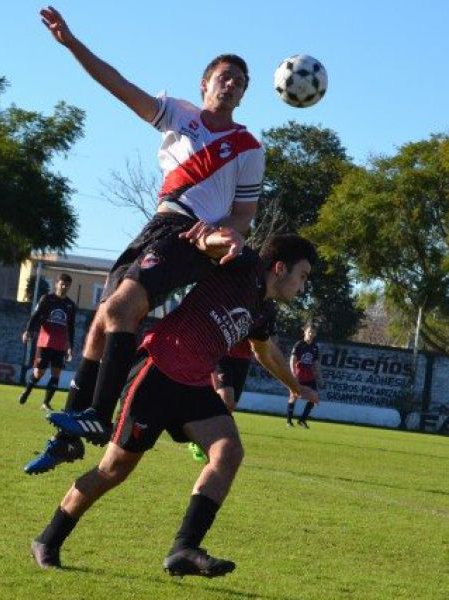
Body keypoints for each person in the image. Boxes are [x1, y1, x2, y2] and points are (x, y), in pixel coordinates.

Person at [38, 6, 265, 455]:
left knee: (121, 308)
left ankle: (98, 418)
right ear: (205, 84)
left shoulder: (248, 148)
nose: (231, 83)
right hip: (155, 226)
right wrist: (72, 45)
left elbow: (243, 214)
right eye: (224, 76)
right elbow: (118, 86)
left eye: (239, 81)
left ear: (242, 96)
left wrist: (216, 235)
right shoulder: (179, 115)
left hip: (189, 237)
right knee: (101, 324)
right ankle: (68, 438)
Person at [26, 234, 320, 577]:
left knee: (229, 452)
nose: (302, 286)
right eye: (302, 276)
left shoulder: (262, 310)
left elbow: (265, 351)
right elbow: (209, 245)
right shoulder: (245, 264)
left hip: (194, 385)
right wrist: (206, 232)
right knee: (113, 471)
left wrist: (295, 386)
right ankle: (48, 540)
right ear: (280, 268)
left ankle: (184, 548)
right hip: (157, 372)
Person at [189, 333, 260, 463]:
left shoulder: (266, 314)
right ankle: (201, 440)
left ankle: (203, 435)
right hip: (223, 354)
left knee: (230, 406)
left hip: (244, 359)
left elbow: (270, 339)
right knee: (226, 400)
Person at [18, 273, 77, 410]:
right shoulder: (47, 299)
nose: (64, 286)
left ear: (69, 286)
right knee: (39, 372)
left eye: (67, 285)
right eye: (62, 283)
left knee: (56, 373)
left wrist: (70, 347)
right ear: (56, 284)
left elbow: (71, 327)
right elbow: (35, 315)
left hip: (60, 345)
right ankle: (27, 391)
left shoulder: (70, 305)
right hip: (45, 342)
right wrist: (28, 331)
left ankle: (45, 403)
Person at [287, 324, 321, 428]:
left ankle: (302, 420)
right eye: (309, 331)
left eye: (313, 332)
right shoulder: (299, 345)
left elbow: (315, 363)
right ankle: (289, 421)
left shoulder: (315, 347)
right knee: (293, 396)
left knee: (314, 398)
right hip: (299, 375)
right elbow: (293, 360)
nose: (311, 334)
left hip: (309, 376)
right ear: (305, 332)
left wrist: (319, 375)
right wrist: (293, 374)